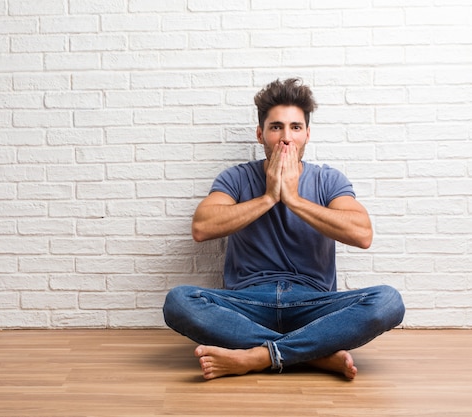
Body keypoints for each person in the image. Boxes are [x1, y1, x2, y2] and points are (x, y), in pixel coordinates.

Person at [163, 78, 405, 381]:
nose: (286, 138)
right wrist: (268, 197)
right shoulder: (237, 178)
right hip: (248, 303)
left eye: (295, 127)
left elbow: (362, 234)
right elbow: (202, 226)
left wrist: (293, 199)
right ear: (260, 133)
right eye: (276, 127)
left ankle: (259, 356)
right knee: (178, 302)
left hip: (313, 304)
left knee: (388, 301)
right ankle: (312, 354)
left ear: (307, 134)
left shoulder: (328, 180)